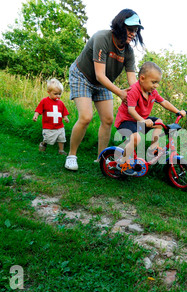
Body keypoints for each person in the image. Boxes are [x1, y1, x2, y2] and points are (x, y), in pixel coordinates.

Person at [65, 9, 144, 171]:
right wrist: (121, 93)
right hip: (82, 76)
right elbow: (99, 75)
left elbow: (132, 82)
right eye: (130, 29)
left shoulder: (128, 52)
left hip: (103, 83)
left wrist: (142, 95)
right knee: (86, 117)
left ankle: (101, 159)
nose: (133, 34)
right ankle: (71, 155)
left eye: (135, 31)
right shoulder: (102, 38)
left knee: (108, 120)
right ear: (120, 26)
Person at [114, 61, 186, 175]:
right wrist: (142, 121)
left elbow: (164, 102)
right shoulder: (134, 91)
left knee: (159, 122)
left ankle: (152, 149)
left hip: (141, 120)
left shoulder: (152, 92)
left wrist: (178, 111)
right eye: (153, 82)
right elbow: (131, 110)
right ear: (142, 78)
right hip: (126, 121)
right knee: (136, 138)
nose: (156, 85)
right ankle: (121, 162)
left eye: (157, 83)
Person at [33, 78, 70, 155]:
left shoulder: (61, 103)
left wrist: (65, 117)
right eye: (55, 94)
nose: (58, 96)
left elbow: (63, 112)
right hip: (48, 126)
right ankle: (43, 143)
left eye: (59, 94)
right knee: (48, 139)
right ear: (48, 92)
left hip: (59, 126)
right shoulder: (44, 101)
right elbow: (38, 110)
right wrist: (36, 115)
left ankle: (61, 150)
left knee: (61, 138)